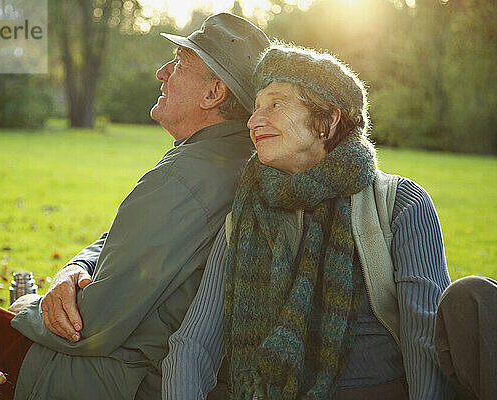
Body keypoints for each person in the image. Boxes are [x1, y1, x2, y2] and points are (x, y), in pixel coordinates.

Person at [0, 13, 270, 400]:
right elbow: (121, 239)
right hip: (134, 369)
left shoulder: (189, 176)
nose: (162, 72)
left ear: (214, 93)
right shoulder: (226, 160)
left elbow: (90, 326)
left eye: (179, 62)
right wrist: (75, 266)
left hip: (114, 379)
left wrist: (30, 305)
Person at [162, 44, 455, 400]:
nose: (254, 121)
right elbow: (193, 344)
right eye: (256, 108)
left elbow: (425, 339)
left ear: (328, 121)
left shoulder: (399, 204)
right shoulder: (245, 217)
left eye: (276, 104)